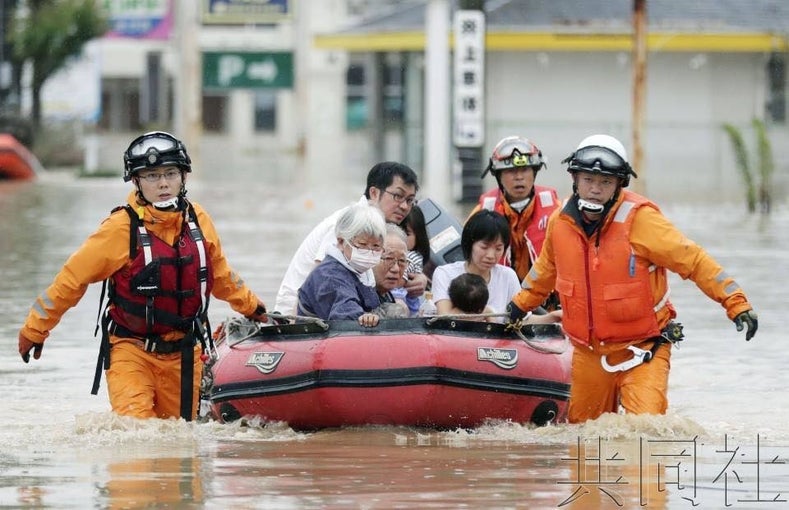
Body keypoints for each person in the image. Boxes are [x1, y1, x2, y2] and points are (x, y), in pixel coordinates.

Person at [506, 134, 759, 424]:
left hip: (644, 349)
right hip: (589, 353)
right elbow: (543, 271)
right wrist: (518, 306)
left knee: (647, 432)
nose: (595, 190)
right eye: (588, 180)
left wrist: (735, 302)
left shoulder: (642, 221)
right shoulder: (559, 223)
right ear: (574, 179)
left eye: (605, 182)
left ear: (619, 185)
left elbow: (694, 261)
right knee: (582, 440)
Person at [17, 131, 269, 421]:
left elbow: (221, 275)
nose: (162, 183)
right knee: (136, 438)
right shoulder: (119, 229)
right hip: (131, 350)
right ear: (136, 181)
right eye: (151, 176)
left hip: (185, 352)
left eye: (170, 173)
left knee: (179, 442)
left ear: (183, 176)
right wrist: (35, 329)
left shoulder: (199, 221)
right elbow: (72, 280)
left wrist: (254, 308)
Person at [275, 161, 427, 314]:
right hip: (299, 315)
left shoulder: (380, 226)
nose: (405, 206)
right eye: (398, 196)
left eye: (409, 200)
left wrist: (417, 279)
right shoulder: (348, 223)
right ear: (374, 193)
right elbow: (320, 280)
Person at [469, 136, 560, 284]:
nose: (519, 177)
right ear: (498, 176)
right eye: (511, 171)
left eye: (524, 170)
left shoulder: (556, 210)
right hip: (496, 297)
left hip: (548, 301)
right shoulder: (482, 212)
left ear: (534, 172)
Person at [296, 203, 386, 327]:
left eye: (376, 246)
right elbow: (346, 315)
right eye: (362, 244)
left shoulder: (363, 272)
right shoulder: (329, 275)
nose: (369, 252)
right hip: (316, 340)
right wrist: (365, 318)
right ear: (341, 241)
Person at [431, 210, 522, 321]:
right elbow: (444, 318)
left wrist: (548, 318)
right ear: (470, 244)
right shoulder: (445, 273)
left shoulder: (508, 276)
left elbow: (523, 320)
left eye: (498, 248)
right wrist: (486, 312)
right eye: (484, 247)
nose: (491, 256)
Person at [393, 207, 431, 316]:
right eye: (396, 230)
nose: (400, 237)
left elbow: (399, 281)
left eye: (406, 233)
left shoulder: (411, 257)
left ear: (418, 237)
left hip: (403, 299)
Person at [371, 224, 411, 318]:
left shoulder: (387, 295)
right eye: (389, 258)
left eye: (402, 261)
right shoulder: (359, 297)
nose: (396, 269)